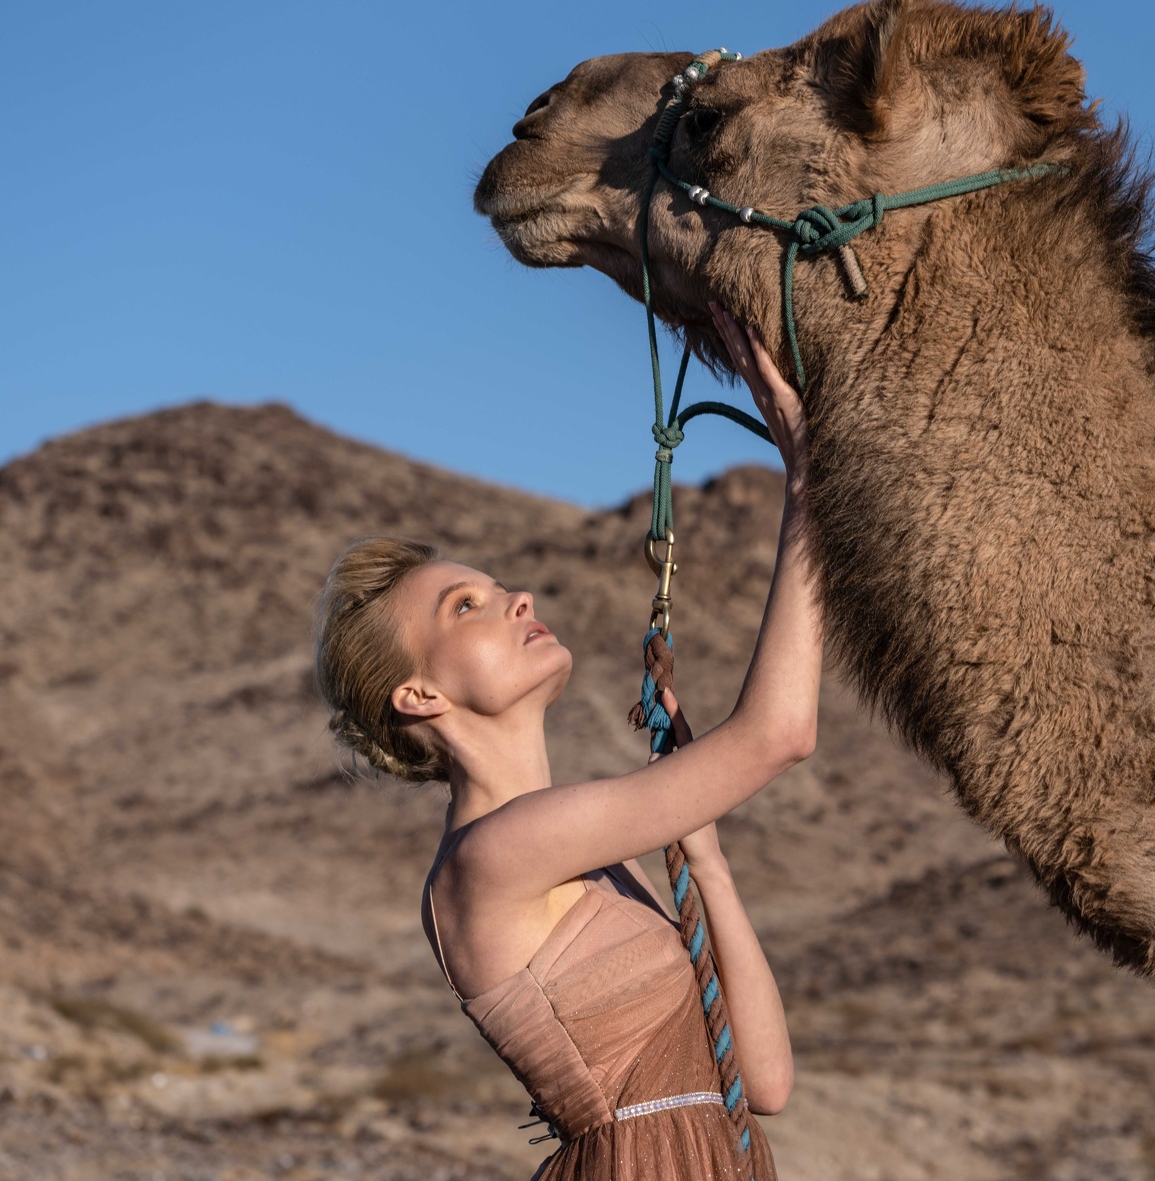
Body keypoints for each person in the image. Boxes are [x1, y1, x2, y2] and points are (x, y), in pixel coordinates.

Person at [312, 308, 813, 1180]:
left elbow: (762, 1082)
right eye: (463, 606)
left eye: (500, 586)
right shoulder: (497, 853)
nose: (516, 598)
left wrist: (707, 860)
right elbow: (780, 735)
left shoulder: (582, 858)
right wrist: (810, 478)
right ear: (419, 694)